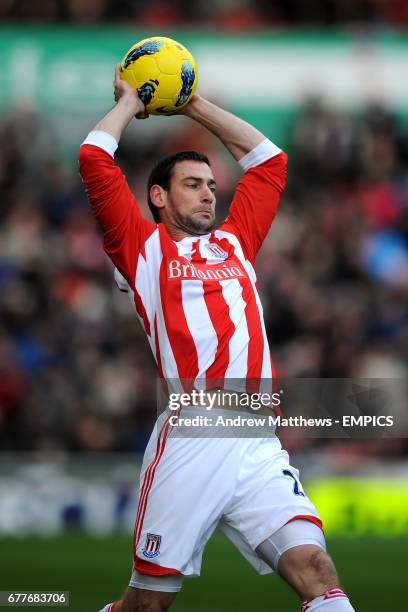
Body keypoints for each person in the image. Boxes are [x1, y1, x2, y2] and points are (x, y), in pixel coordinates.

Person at [79, 65, 356, 612]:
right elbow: (94, 158)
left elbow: (269, 160)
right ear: (157, 197)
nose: (209, 194)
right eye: (192, 184)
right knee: (147, 605)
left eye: (211, 185)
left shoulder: (236, 241)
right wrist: (133, 103)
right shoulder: (143, 250)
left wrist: (194, 104)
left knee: (317, 571)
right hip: (194, 434)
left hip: (257, 438)